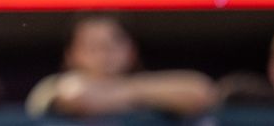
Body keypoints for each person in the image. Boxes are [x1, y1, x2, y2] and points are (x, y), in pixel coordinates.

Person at [25, 14, 217, 119]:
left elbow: (201, 92)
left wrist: (125, 90)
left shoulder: (145, 85)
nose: (104, 52)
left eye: (114, 43)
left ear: (132, 50)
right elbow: (77, 97)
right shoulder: (52, 86)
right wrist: (144, 94)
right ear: (70, 55)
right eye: (91, 45)